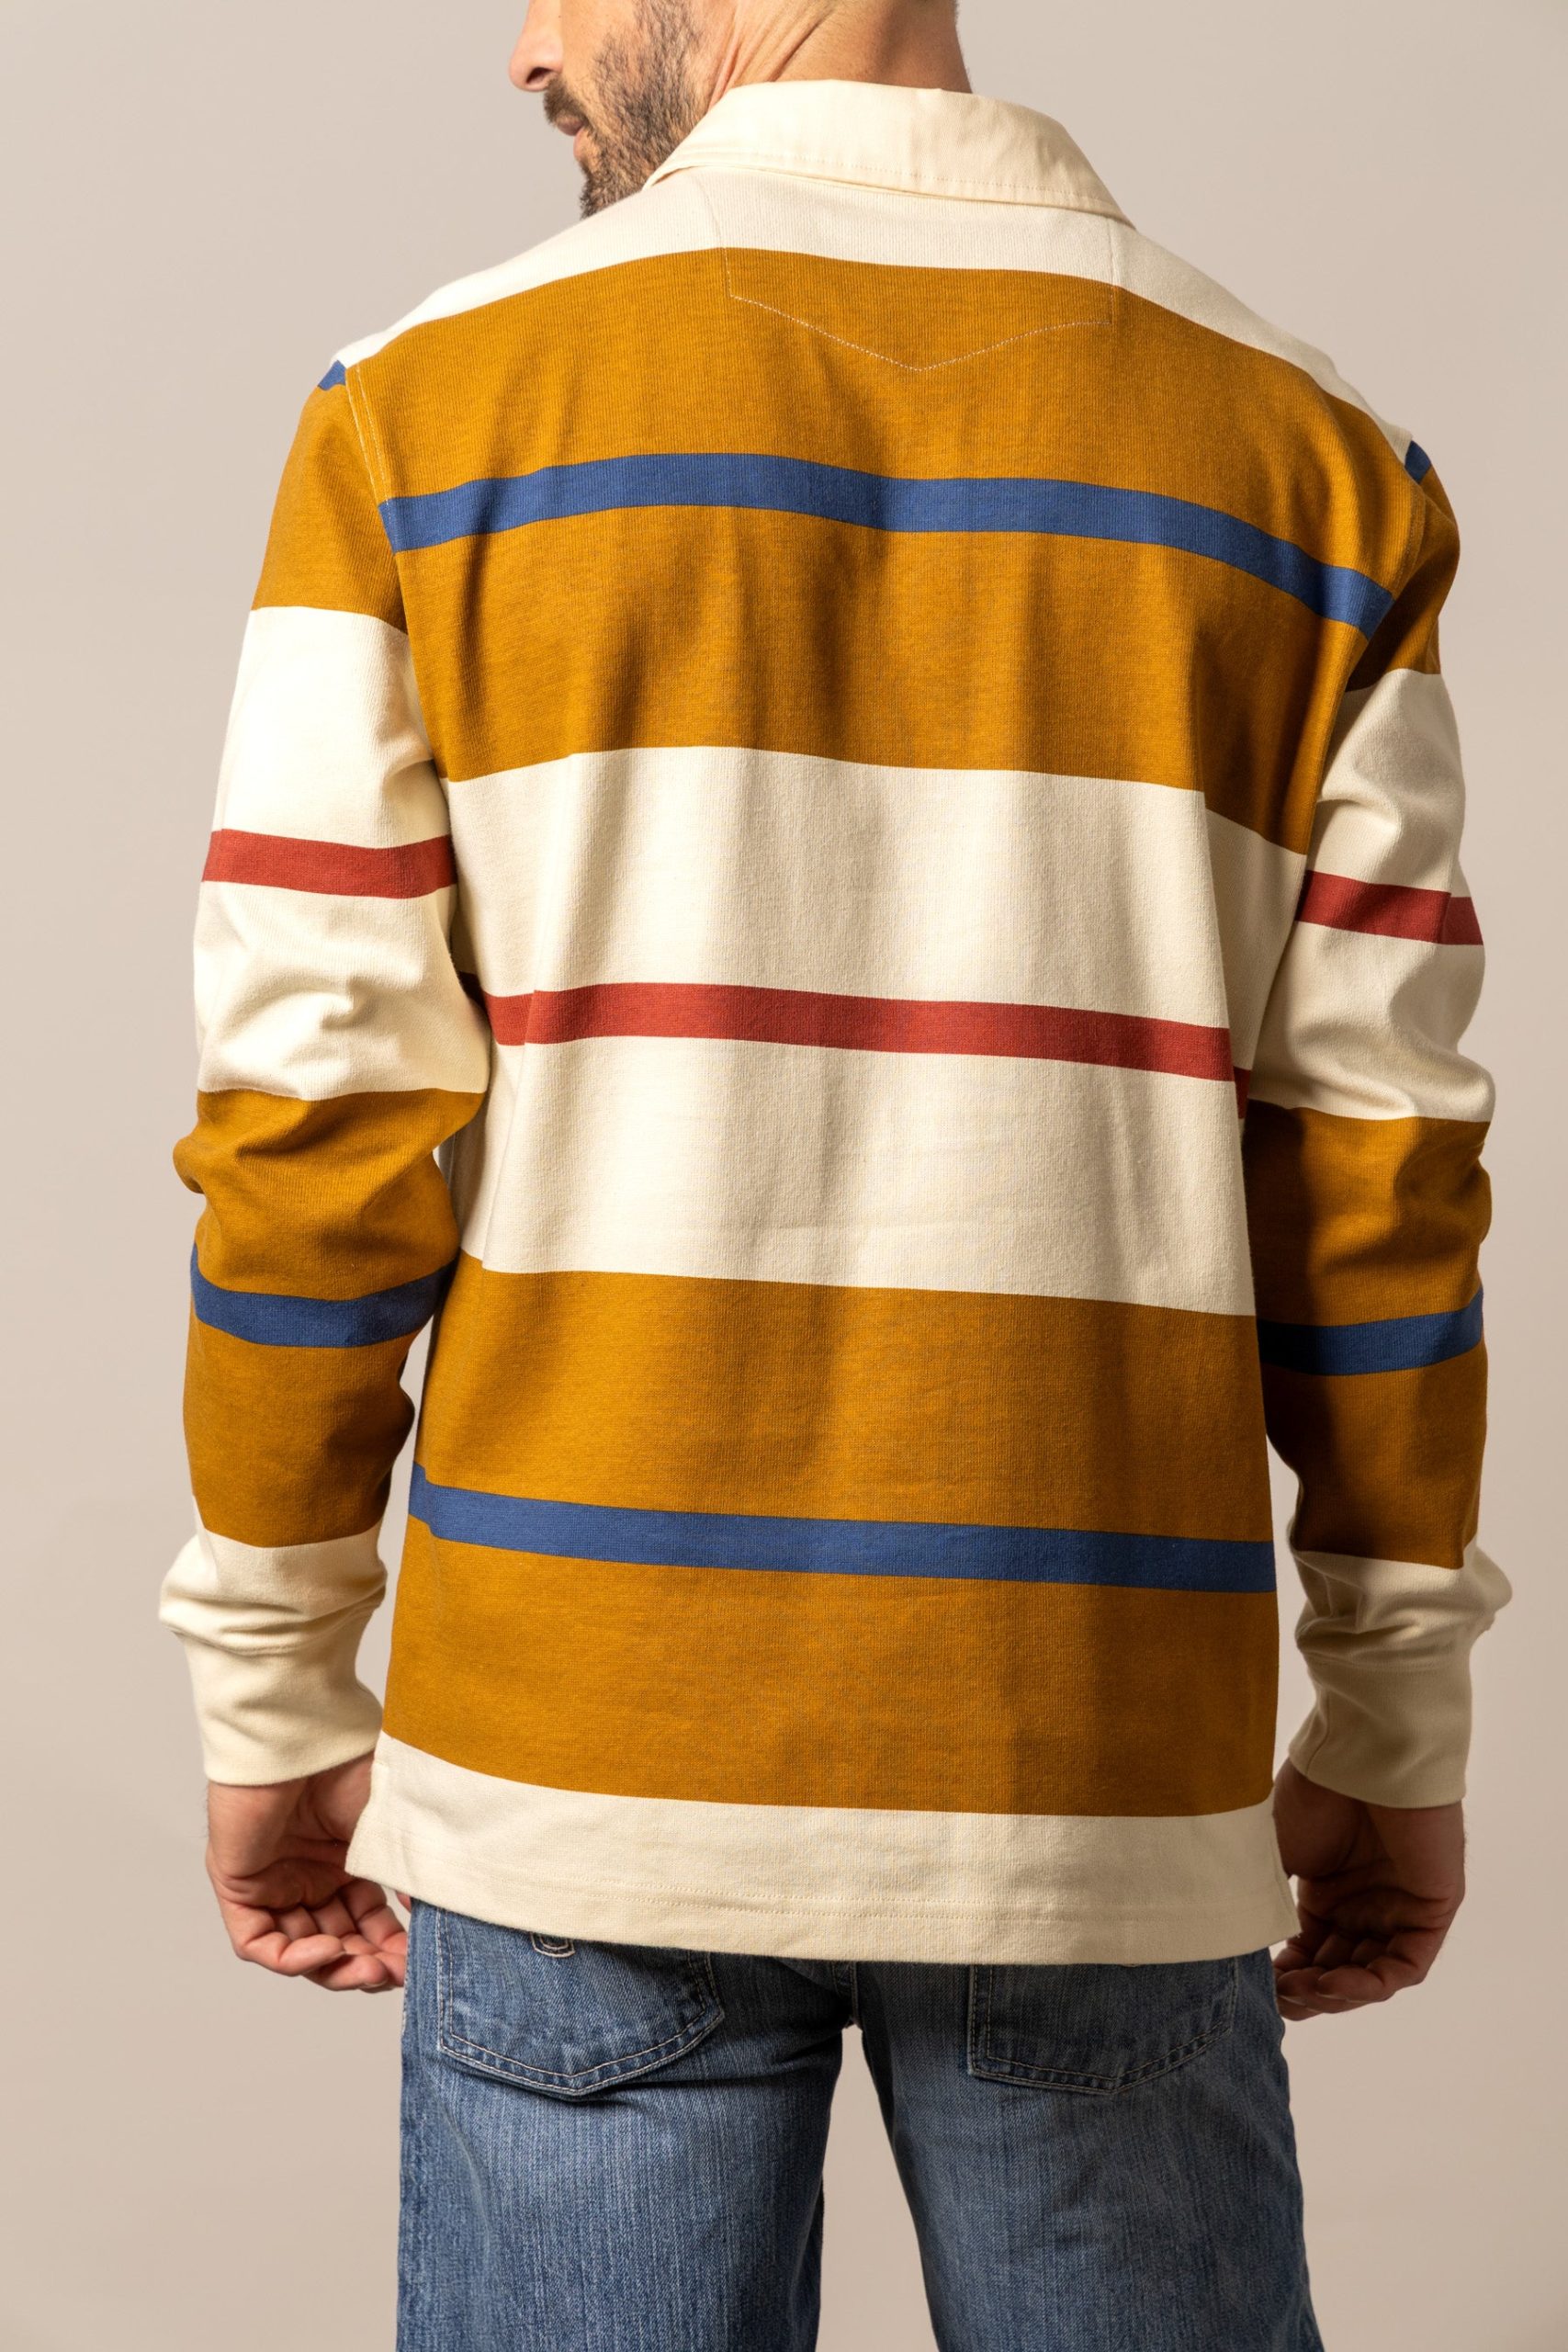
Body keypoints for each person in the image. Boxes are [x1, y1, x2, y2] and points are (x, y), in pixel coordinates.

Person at [162, 1, 1508, 2343]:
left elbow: (315, 1127)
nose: (525, 52)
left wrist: (274, 1685)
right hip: (1098, 1758)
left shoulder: (417, 413)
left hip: (581, 1751)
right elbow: (1373, 1180)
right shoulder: (1309, 464)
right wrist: (1390, 1724)